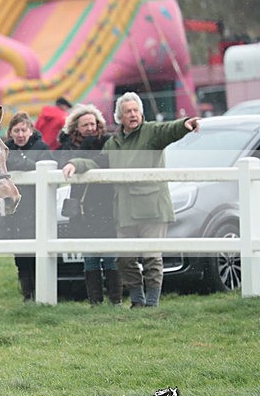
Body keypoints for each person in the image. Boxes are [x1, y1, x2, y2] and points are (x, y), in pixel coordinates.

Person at [62, 92, 201, 308]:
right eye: (128, 111)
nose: (133, 114)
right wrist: (75, 164)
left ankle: (152, 302)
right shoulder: (113, 143)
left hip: (152, 208)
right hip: (125, 209)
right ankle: (137, 300)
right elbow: (97, 164)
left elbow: (169, 130)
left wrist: (185, 124)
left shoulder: (151, 132)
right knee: (124, 259)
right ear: (120, 117)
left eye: (136, 110)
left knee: (151, 258)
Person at [56, 104, 121, 305]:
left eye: (93, 123)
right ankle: (95, 302)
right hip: (83, 208)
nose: (90, 128)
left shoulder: (108, 142)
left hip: (106, 205)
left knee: (110, 255)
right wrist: (84, 149)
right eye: (85, 125)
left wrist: (87, 151)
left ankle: (115, 301)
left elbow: (104, 163)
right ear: (76, 127)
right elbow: (62, 163)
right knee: (90, 256)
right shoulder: (67, 146)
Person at [0, 112, 52, 302]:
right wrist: (26, 164)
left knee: (38, 254)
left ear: (30, 130)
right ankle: (27, 295)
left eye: (23, 130)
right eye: (16, 130)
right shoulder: (5, 149)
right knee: (20, 256)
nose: (20, 134)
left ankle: (39, 293)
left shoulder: (42, 147)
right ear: (10, 132)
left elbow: (50, 167)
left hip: (37, 208)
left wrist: (24, 163)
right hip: (14, 210)